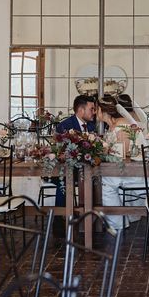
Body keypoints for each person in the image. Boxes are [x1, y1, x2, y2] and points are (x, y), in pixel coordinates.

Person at [98, 95, 147, 230]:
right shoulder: (113, 125)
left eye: (96, 109)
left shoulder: (122, 125)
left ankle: (117, 223)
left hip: (135, 172)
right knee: (102, 178)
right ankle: (120, 218)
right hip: (124, 170)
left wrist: (105, 151)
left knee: (104, 183)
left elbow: (124, 154)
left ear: (102, 111)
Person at [51, 95, 97, 238]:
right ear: (81, 110)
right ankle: (58, 220)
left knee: (100, 180)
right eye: (91, 109)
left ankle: (92, 219)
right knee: (62, 181)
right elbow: (59, 152)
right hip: (67, 170)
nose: (94, 112)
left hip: (89, 170)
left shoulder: (92, 126)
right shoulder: (65, 126)